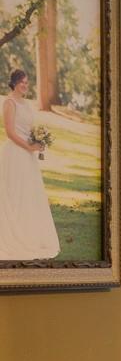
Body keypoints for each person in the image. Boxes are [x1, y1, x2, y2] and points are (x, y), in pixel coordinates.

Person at [0, 69, 59, 261]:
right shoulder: (9, 103)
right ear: (14, 83)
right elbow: (10, 132)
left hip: (28, 156)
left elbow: (28, 130)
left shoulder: (26, 104)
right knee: (15, 193)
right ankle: (15, 235)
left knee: (28, 194)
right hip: (15, 153)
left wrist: (38, 141)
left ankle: (29, 234)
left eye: (27, 82)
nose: (25, 85)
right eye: (22, 82)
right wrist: (28, 146)